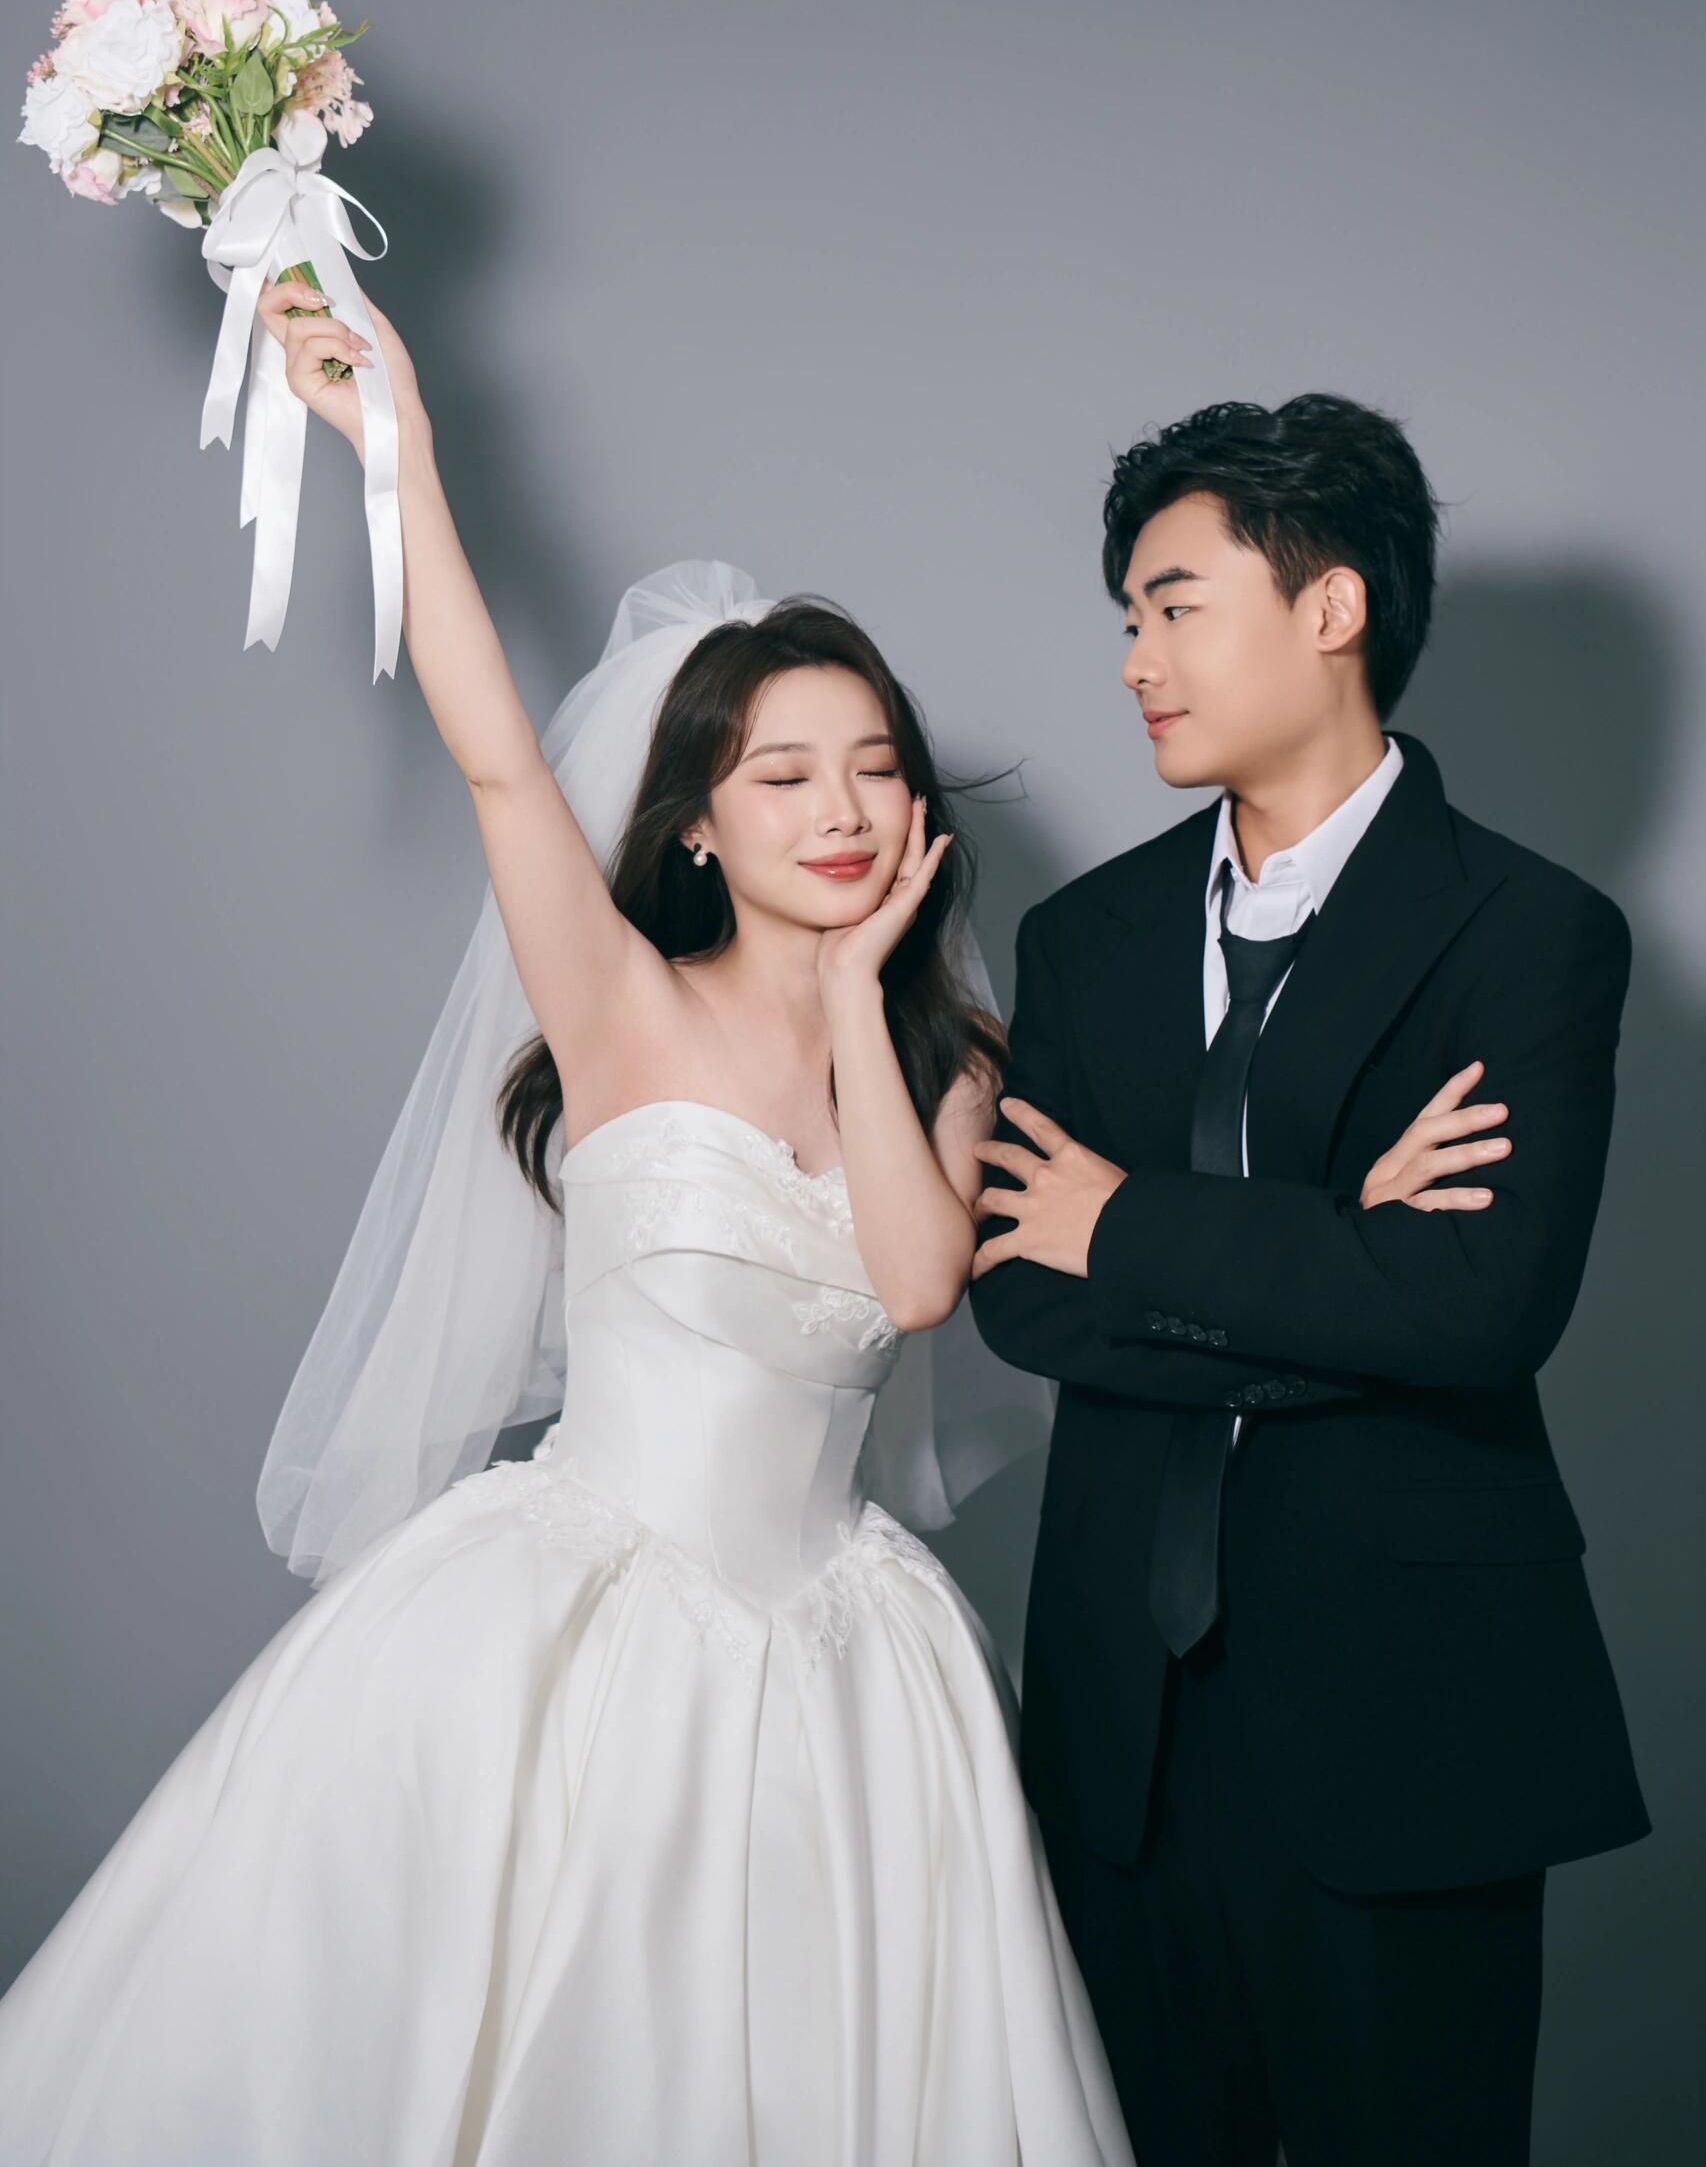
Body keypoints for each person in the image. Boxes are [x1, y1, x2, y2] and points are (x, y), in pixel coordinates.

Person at [0, 285, 1134, 2166]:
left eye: (873, 767)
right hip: (574, 1620)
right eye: (782, 776)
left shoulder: (952, 1058)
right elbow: (499, 760)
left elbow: (920, 1280)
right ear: (697, 825)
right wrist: (401, 452)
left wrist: (861, 998)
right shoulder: (617, 1006)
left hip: (851, 1662)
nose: (841, 811)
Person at [968, 394, 1650, 2167]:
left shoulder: (1529, 933)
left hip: (1412, 1722)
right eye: (1127, 617)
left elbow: (1480, 1305)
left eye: (1172, 606)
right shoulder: (1083, 937)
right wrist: (1343, 1240)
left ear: (1329, 606)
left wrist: (1134, 1226)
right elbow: (1020, 1295)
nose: (1134, 661)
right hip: (1122, 1734)